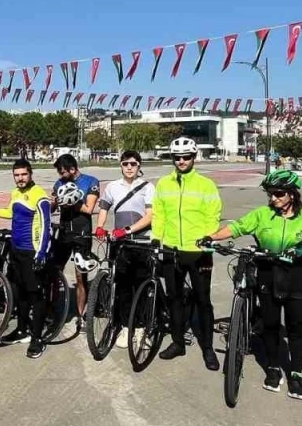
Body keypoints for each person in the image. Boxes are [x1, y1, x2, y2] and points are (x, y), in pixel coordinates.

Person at [202, 170, 302, 400]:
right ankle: (272, 367)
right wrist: (212, 237)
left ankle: (296, 373)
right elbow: (238, 227)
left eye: (278, 194)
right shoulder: (262, 214)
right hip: (268, 274)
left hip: (297, 277)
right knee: (270, 325)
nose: (273, 198)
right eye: (270, 194)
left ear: (292, 194)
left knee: (295, 327)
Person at [151, 139, 222, 369]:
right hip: (171, 249)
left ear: (194, 157)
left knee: (203, 300)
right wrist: (156, 237)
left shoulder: (206, 185)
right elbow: (159, 214)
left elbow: (213, 214)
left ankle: (208, 348)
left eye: (186, 157)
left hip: (198, 251)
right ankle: (178, 342)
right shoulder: (164, 183)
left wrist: (208, 237)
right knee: (174, 298)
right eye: (177, 157)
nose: (181, 161)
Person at [0, 159, 52, 359]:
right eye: (17, 175)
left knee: (35, 296)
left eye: (24, 174)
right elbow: (10, 212)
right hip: (16, 250)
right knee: (19, 292)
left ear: (31, 174)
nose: (20, 178)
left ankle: (37, 339)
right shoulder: (16, 193)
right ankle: (22, 330)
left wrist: (41, 253)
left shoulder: (39, 196)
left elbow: (46, 225)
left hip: (32, 251)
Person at [94, 150, 156, 350]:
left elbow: (150, 216)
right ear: (120, 166)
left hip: (142, 242)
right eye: (125, 164)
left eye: (133, 164)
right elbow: (104, 208)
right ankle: (125, 327)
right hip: (120, 243)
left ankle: (141, 328)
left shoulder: (148, 187)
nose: (129, 167)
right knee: (122, 287)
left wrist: (127, 230)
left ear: (139, 166)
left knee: (141, 286)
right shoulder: (113, 187)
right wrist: (100, 226)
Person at [51, 153, 99, 328]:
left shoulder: (91, 181)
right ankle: (52, 310)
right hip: (64, 233)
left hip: (82, 234)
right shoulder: (59, 183)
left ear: (72, 169)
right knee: (55, 271)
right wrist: (54, 202)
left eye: (63, 172)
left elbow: (89, 208)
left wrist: (72, 201)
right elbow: (52, 208)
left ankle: (81, 315)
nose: (61, 176)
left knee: (80, 276)